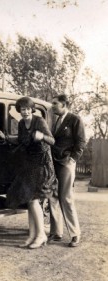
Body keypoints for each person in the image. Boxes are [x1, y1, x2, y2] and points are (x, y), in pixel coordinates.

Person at [7, 97, 57, 249]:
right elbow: (23, 141)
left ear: (32, 109)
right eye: (22, 109)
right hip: (29, 164)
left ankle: (41, 235)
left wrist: (42, 136)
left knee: (34, 200)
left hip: (43, 165)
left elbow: (52, 140)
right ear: (19, 111)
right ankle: (32, 235)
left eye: (28, 109)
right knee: (29, 200)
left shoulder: (39, 121)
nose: (26, 112)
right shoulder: (22, 123)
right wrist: (6, 137)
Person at [48, 94, 86, 247]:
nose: (53, 106)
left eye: (55, 104)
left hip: (66, 163)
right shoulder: (54, 120)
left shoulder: (75, 119)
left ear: (64, 104)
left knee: (66, 197)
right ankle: (56, 232)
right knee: (52, 196)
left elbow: (81, 141)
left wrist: (73, 159)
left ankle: (75, 234)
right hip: (53, 163)